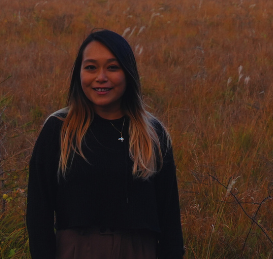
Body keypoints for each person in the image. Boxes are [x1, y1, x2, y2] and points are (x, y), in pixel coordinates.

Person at [26, 29, 184, 259]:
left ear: (128, 73)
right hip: (75, 251)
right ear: (79, 73)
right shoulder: (59, 129)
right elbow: (38, 213)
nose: (101, 77)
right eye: (91, 67)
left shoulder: (152, 134)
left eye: (112, 67)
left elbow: (170, 219)